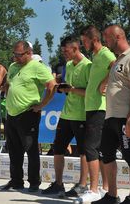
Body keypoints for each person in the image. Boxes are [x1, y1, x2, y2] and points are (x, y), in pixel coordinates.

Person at [93, 25, 130, 204]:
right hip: (111, 116)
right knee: (106, 154)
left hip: (125, 117)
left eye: (107, 38)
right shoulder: (119, 60)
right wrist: (104, 83)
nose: (105, 42)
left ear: (117, 37)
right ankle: (112, 195)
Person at [2, 41, 57, 192]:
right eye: (14, 54)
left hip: (28, 113)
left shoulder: (37, 67)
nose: (15, 57)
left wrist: (41, 105)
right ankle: (16, 180)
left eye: (19, 55)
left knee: (31, 149)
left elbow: (52, 85)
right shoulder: (13, 67)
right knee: (13, 150)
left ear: (28, 53)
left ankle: (34, 182)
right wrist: (8, 95)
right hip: (12, 113)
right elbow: (8, 84)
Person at [41, 35, 92, 198]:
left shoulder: (88, 66)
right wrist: (63, 88)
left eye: (66, 50)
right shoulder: (68, 65)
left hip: (82, 114)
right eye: (62, 51)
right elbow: (70, 88)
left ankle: (83, 184)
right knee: (57, 147)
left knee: (84, 151)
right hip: (67, 113)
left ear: (76, 48)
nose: (64, 54)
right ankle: (58, 184)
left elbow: (90, 92)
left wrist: (71, 90)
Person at [75, 25, 116, 203]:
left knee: (90, 148)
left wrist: (105, 82)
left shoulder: (106, 53)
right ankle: (104, 188)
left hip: (100, 106)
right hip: (92, 106)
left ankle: (93, 189)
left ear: (94, 39)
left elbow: (117, 64)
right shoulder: (95, 55)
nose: (83, 45)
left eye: (85, 41)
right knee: (97, 149)